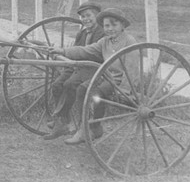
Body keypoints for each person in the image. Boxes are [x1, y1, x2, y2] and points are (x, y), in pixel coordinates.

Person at [49, 8, 138, 145]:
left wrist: (125, 90)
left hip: (117, 80)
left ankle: (95, 126)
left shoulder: (129, 41)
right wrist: (63, 51)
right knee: (82, 89)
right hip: (105, 76)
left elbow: (132, 69)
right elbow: (85, 51)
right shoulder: (105, 41)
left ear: (122, 26)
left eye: (114, 25)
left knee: (96, 93)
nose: (110, 29)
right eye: (107, 26)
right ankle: (84, 128)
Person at [48, 2, 105, 139]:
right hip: (77, 65)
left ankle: (79, 125)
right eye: (83, 17)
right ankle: (63, 120)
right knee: (56, 85)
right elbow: (75, 50)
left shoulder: (102, 33)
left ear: (97, 16)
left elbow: (91, 54)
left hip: (94, 67)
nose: (86, 19)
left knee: (70, 84)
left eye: (88, 15)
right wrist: (66, 62)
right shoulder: (82, 33)